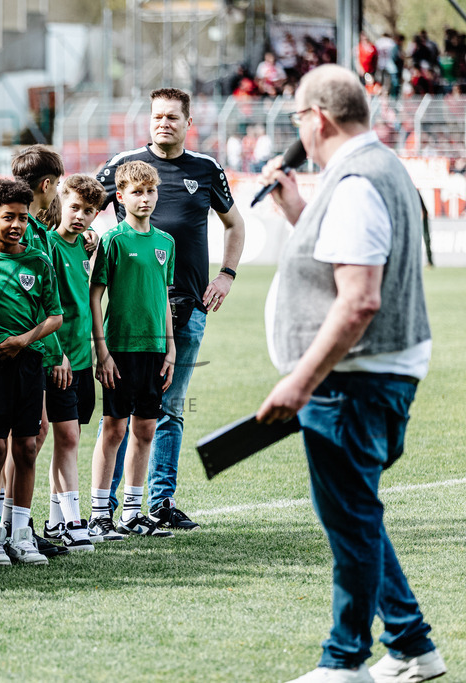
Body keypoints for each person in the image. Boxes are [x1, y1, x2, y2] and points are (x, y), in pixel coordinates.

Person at [257, 64, 447, 683]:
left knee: (349, 518)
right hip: (368, 375)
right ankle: (414, 644)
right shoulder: (375, 168)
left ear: (317, 118)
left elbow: (359, 298)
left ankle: (344, 661)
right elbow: (342, 255)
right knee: (357, 512)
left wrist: (301, 380)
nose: (296, 130)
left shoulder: (358, 181)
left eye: (296, 118)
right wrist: (296, 209)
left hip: (354, 380)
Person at [96, 87, 245, 530]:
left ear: (188, 122)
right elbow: (82, 203)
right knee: (121, 414)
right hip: (130, 314)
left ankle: (156, 504)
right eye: (158, 116)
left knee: (170, 408)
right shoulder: (126, 165)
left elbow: (235, 224)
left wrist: (226, 274)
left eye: (173, 117)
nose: (164, 123)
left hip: (188, 308)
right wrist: (84, 240)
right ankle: (109, 507)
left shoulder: (206, 168)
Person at [0, 178, 62, 566]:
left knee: (26, 446)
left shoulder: (38, 261)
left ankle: (21, 535)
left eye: (22, 217)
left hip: (28, 364)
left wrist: (24, 340)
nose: (17, 224)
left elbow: (56, 316)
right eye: (8, 217)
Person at [89, 161, 176, 541]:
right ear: (120, 197)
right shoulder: (113, 240)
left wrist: (172, 349)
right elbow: (96, 297)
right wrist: (102, 350)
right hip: (120, 349)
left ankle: (132, 512)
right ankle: (98, 514)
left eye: (150, 191)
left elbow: (165, 299)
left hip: (156, 349)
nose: (145, 199)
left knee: (146, 428)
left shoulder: (166, 243)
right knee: (114, 429)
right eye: (136, 193)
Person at [40, 174, 105, 552]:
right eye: (75, 207)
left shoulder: (84, 245)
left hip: (81, 358)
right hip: (56, 357)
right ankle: (73, 519)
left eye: (89, 211)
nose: (80, 216)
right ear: (60, 201)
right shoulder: (46, 244)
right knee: (60, 436)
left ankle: (56, 520)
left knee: (70, 438)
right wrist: (55, 352)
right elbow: (42, 306)